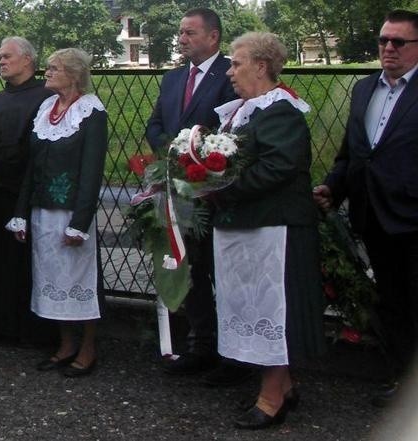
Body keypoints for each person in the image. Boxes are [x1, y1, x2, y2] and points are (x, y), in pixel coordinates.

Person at [210, 32, 325, 429]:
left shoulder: (280, 111)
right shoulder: (243, 111)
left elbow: (278, 166)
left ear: (261, 66)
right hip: (249, 228)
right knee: (254, 308)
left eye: (236, 63)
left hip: (274, 230)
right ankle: (285, 386)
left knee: (271, 312)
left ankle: (271, 396)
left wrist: (220, 189)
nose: (229, 72)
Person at [313, 9, 418, 407]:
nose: (388, 49)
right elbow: (352, 155)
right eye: (383, 41)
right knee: (392, 303)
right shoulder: (364, 89)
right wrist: (333, 189)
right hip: (374, 216)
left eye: (399, 42)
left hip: (413, 217)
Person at [144, 7, 250, 386]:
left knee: (221, 271)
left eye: (190, 33)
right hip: (178, 191)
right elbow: (155, 123)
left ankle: (234, 352)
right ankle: (200, 345)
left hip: (214, 191)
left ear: (213, 37)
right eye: (181, 33)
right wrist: (172, 150)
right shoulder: (173, 78)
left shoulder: (232, 74)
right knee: (191, 269)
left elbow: (232, 129)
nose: (182, 39)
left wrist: (198, 157)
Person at [7, 47, 108, 377]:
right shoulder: (46, 108)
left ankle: (88, 347)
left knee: (80, 279)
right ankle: (65, 344)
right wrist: (21, 212)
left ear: (74, 74)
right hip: (42, 211)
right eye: (47, 68)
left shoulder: (92, 112)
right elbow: (32, 167)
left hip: (71, 213)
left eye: (54, 68)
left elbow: (92, 171)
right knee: (51, 277)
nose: (46, 73)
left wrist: (80, 222)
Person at [0, 36, 55, 345]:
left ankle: (31, 328)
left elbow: (32, 144)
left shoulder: (44, 97)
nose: (1, 60)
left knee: (26, 259)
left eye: (7, 55)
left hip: (25, 190)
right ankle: (3, 323)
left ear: (28, 60)